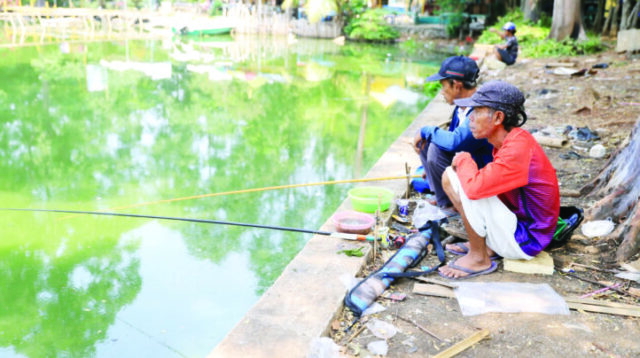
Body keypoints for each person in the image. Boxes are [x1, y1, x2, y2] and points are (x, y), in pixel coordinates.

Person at [438, 80, 560, 279]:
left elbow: (475, 189)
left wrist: (464, 158)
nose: (470, 119)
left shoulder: (517, 149)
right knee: (464, 177)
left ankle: (479, 257)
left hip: (526, 240)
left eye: (477, 111)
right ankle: (485, 246)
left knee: (452, 177)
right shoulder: (513, 140)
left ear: (498, 117)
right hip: (521, 229)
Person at [413, 56, 493, 212]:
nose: (442, 92)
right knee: (427, 144)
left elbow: (454, 142)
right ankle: (440, 194)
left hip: (481, 174)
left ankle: (450, 206)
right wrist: (431, 169)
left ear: (456, 86)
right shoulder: (460, 108)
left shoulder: (479, 111)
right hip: (464, 163)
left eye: (443, 86)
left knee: (435, 147)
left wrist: (425, 130)